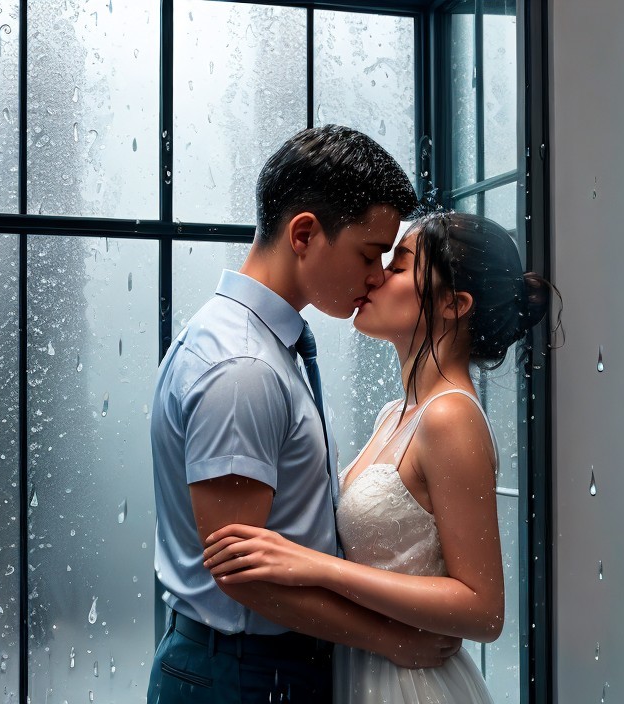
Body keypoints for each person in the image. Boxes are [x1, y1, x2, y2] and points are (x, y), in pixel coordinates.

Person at [147, 126, 461, 704]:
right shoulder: (242, 367)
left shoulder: (261, 347)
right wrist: (389, 641)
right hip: (242, 675)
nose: (376, 276)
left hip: (259, 666)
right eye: (369, 254)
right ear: (305, 234)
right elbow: (241, 573)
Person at [203, 211, 556, 703]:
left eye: (398, 264)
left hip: (414, 683)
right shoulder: (397, 413)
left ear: (454, 303)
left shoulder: (450, 418)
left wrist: (315, 566)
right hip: (371, 667)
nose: (375, 276)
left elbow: (483, 609)